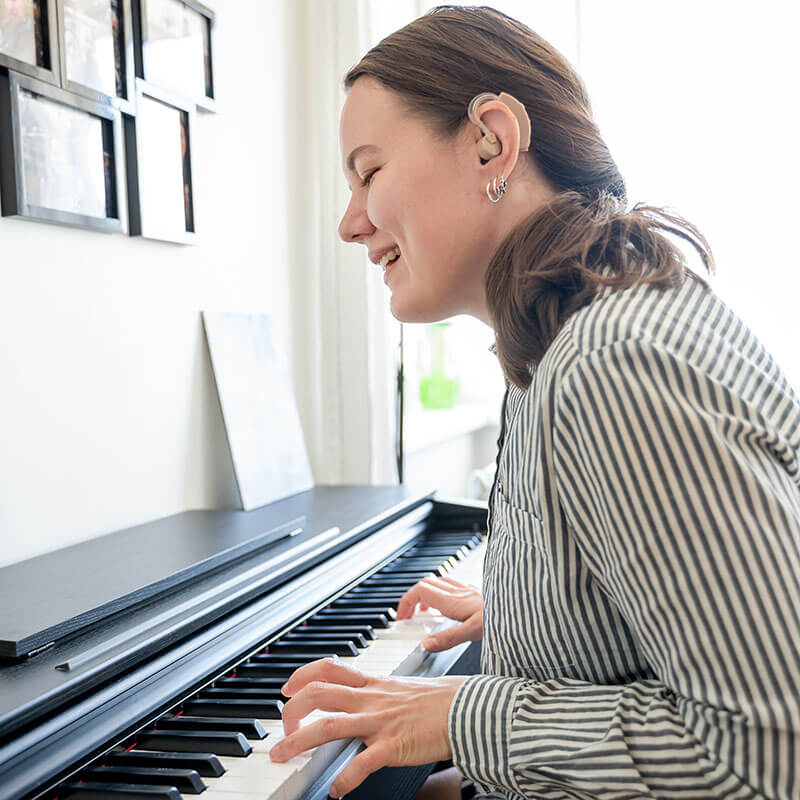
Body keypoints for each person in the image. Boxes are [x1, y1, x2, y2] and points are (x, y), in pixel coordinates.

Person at [268, 6, 800, 799]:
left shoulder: (616, 364)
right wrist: (535, 601)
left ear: (493, 139)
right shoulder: (560, 340)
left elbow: (771, 754)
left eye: (369, 172)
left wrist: (457, 716)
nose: (350, 223)